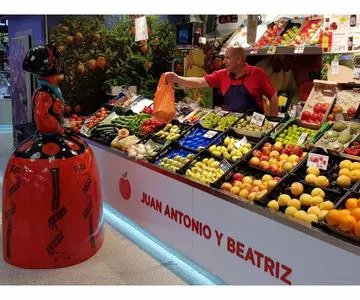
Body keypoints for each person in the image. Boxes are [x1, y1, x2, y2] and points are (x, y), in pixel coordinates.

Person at [164, 46, 279, 116]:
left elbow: (273, 95)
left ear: (239, 60)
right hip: (232, 124)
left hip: (255, 125)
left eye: (227, 58)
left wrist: (273, 119)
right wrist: (177, 78)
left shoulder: (257, 73)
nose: (223, 61)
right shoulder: (222, 74)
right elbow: (200, 81)